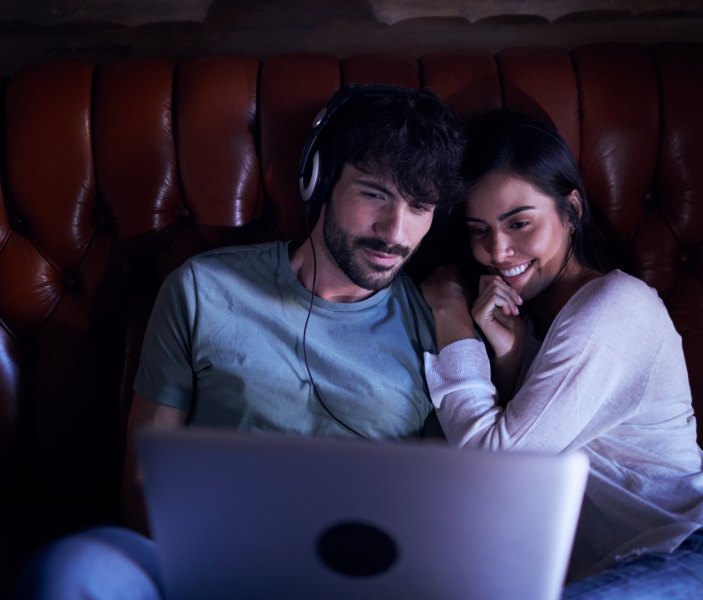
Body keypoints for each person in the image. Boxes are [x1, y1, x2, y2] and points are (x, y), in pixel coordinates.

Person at [15, 84, 466, 599]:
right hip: (205, 570)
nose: (395, 232)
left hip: (357, 582)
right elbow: (142, 483)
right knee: (75, 569)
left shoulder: (436, 323)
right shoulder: (202, 289)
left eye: (420, 207)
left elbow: (443, 506)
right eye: (374, 194)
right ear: (318, 182)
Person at [421, 110, 703, 599]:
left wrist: (450, 315)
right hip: (613, 579)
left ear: (571, 210)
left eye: (519, 223)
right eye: (479, 230)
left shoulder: (613, 307)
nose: (497, 250)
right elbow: (537, 463)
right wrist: (513, 357)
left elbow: (494, 458)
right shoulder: (533, 325)